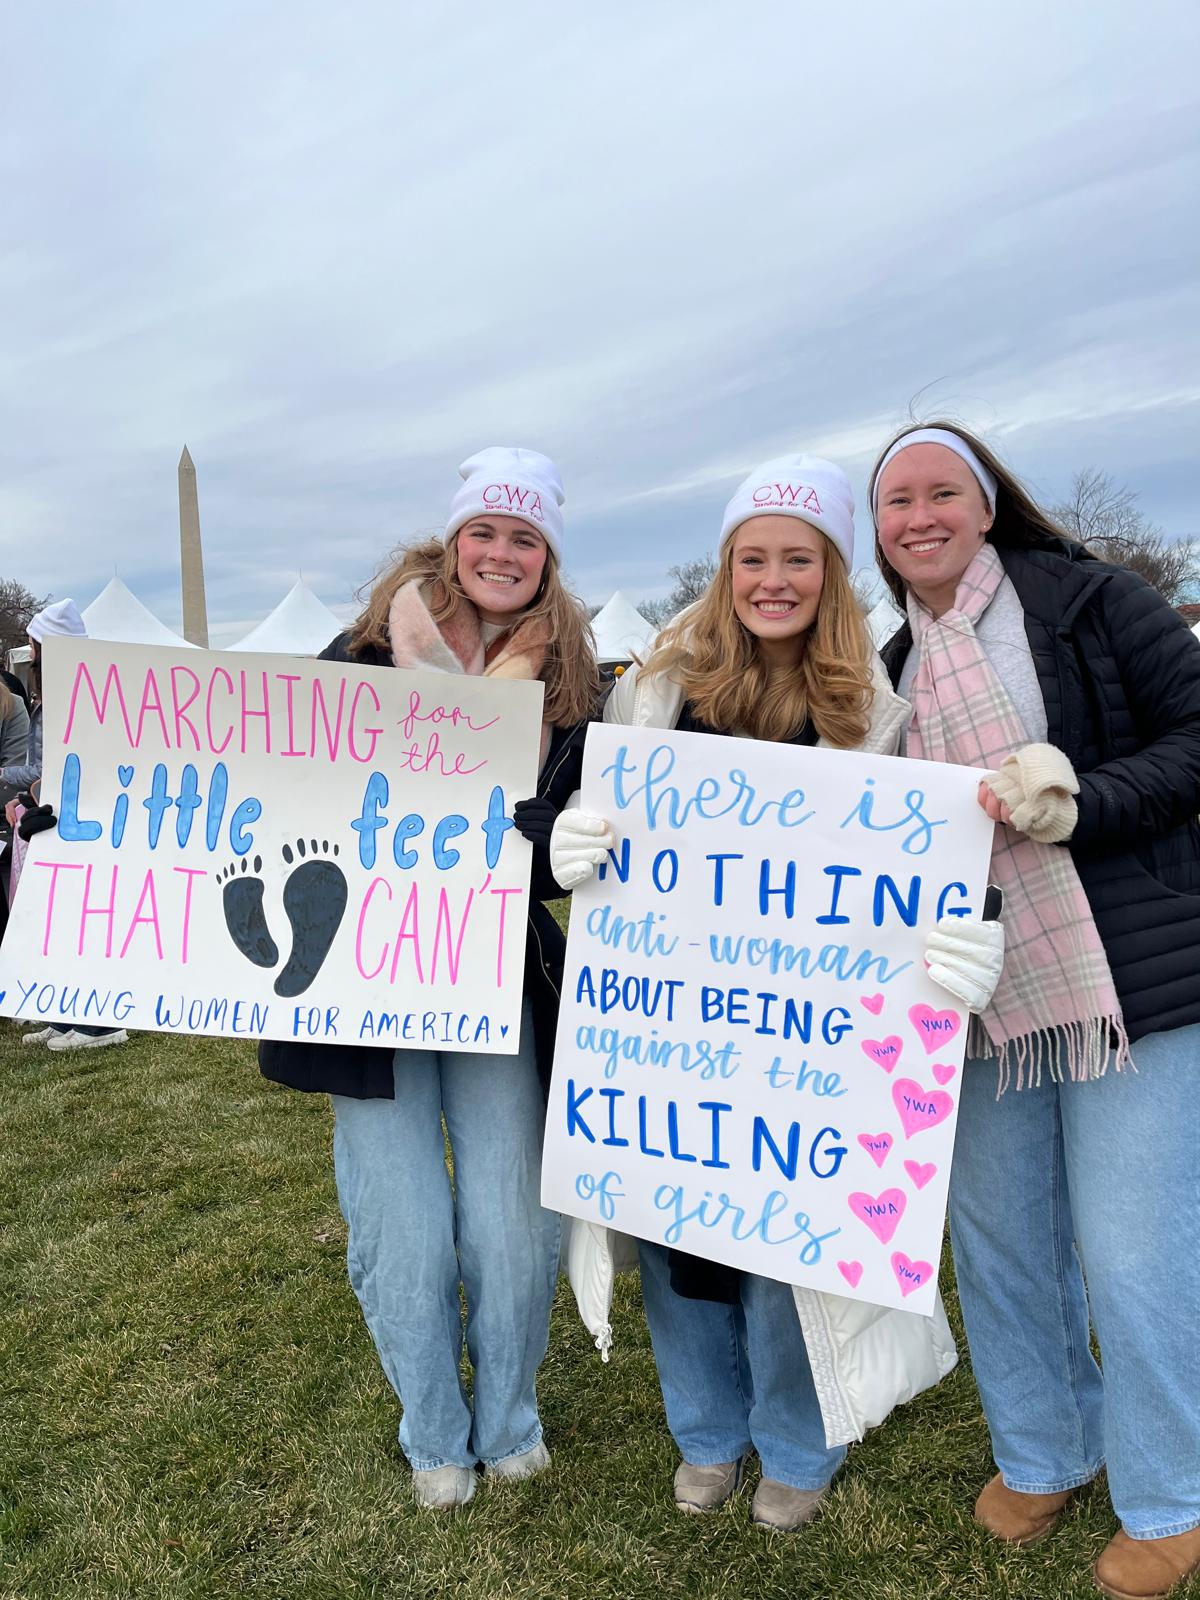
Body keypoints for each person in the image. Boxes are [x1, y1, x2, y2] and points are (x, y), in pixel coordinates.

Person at [549, 454, 1005, 1531]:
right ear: (725, 569)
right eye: (751, 558)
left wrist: (955, 942)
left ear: (832, 571)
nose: (772, 579)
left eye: (796, 559)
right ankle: (707, 1433)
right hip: (674, 1023)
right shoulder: (656, 690)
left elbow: (923, 869)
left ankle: (798, 1442)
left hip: (812, 1030)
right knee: (679, 1235)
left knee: (788, 1243)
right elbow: (600, 831)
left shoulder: (879, 710)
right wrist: (578, 844)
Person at [869, 422, 1200, 1600]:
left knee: (1131, 1249)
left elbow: (1194, 737)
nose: (919, 516)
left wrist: (1083, 800)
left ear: (987, 502)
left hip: (1128, 981)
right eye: (895, 501)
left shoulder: (1089, 603)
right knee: (1002, 1239)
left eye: (940, 492)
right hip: (969, 991)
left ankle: (1172, 1494)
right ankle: (1046, 1450)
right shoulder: (893, 659)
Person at [259, 447, 600, 1511]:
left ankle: (509, 1419)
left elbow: (561, 844)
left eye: (525, 536)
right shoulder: (363, 651)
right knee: (399, 1225)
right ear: (454, 542)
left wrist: (562, 845)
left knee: (510, 1222)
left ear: (548, 556)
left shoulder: (571, 683)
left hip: (497, 982)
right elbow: (261, 773)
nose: (502, 552)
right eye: (485, 531)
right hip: (368, 985)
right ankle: (433, 1430)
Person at [1, 600, 129, 1051]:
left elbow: (56, 763)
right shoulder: (58, 693)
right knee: (58, 921)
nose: (31, 651)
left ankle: (101, 1024)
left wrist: (19, 782)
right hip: (56, 814)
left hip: (75, 818)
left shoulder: (75, 695)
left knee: (79, 921)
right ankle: (64, 1015)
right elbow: (43, 767)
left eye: (36, 642)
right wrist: (27, 789)